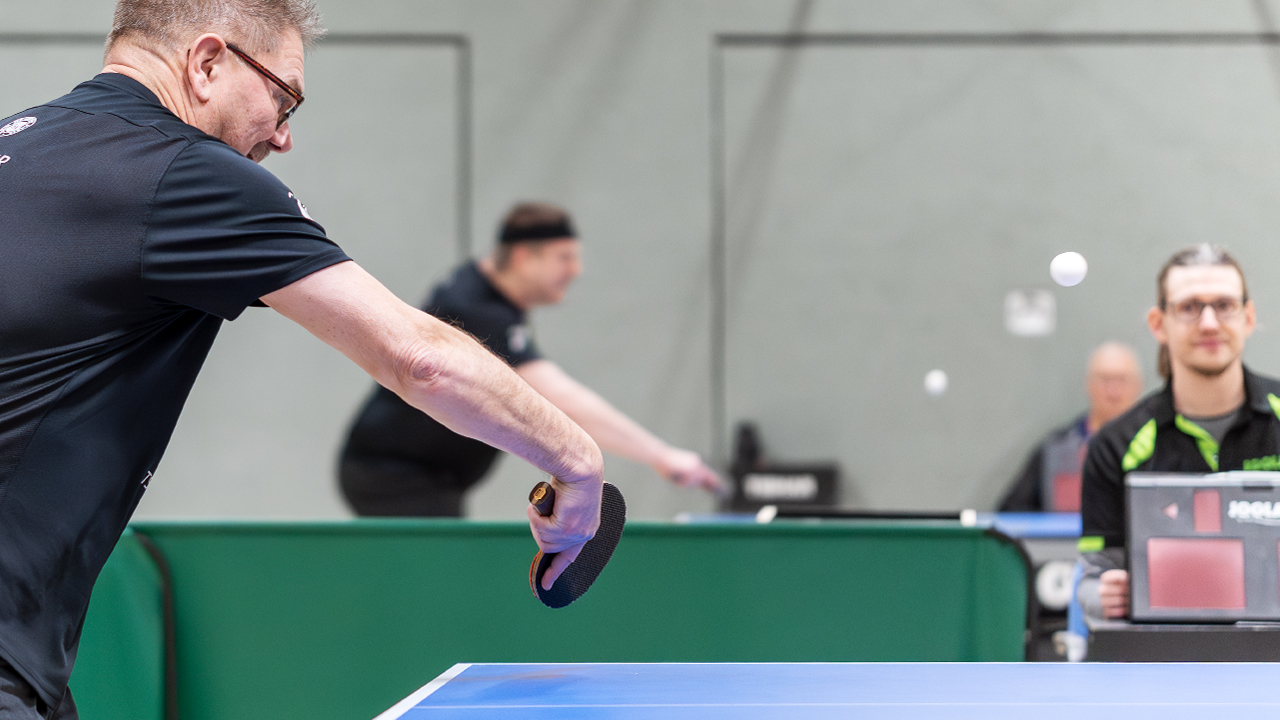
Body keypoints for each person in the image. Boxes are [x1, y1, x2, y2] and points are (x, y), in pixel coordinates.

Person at [0, 2, 604, 717]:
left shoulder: (16, 143)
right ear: (207, 62)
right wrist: (576, 462)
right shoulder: (187, 174)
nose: (283, 136)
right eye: (283, 99)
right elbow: (422, 359)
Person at [339, 202, 724, 517]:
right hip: (395, 477)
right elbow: (562, 398)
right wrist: (662, 456)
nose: (575, 271)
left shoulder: (478, 285)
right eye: (564, 258)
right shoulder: (476, 311)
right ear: (524, 257)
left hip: (415, 476)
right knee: (441, 581)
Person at [1078, 244, 1280, 620]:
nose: (1209, 323)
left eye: (1224, 305)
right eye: (1189, 307)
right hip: (1165, 650)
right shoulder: (1115, 445)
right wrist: (1105, 594)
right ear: (1159, 324)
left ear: (1248, 317)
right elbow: (1092, 579)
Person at [997, 342, 1144, 512]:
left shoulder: (1159, 445)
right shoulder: (1056, 450)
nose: (1113, 391)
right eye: (1104, 379)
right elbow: (1012, 511)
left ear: (1138, 385)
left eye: (1122, 380)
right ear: (1088, 384)